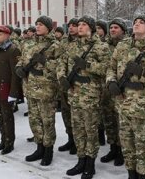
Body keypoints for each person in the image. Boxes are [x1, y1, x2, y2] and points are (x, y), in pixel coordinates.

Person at [106, 15, 145, 179]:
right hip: (122, 104)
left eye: (141, 23)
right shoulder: (122, 46)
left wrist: (142, 73)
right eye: (135, 22)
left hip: (143, 108)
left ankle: (143, 175)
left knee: (141, 149)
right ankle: (131, 174)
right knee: (127, 146)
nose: (137, 24)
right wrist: (111, 81)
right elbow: (110, 67)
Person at [57, 15, 109, 179]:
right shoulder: (71, 47)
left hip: (91, 96)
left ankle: (90, 163)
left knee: (90, 131)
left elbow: (106, 69)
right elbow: (61, 65)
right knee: (78, 130)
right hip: (74, 94)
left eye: (84, 24)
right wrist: (62, 78)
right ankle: (81, 160)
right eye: (78, 24)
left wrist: (87, 66)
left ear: (91, 28)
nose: (80, 27)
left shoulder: (101, 47)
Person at [16, 15, 62, 166]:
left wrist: (46, 62)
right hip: (30, 88)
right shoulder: (28, 44)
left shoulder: (56, 45)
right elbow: (21, 60)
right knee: (34, 120)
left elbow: (61, 68)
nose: (38, 26)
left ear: (48, 27)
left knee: (47, 121)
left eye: (41, 24)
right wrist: (19, 68)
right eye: (36, 24)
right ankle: (39, 147)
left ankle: (48, 150)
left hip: (46, 90)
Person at [0, 25, 21, 155]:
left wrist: (13, 93)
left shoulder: (12, 50)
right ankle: (3, 140)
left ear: (7, 35)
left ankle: (9, 142)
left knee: (7, 117)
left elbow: (15, 74)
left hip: (5, 88)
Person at [100, 18, 127, 166]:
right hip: (106, 90)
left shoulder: (127, 46)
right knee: (109, 121)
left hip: (122, 91)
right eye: (111, 27)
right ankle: (113, 148)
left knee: (121, 123)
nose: (113, 30)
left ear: (123, 30)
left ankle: (123, 151)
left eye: (116, 27)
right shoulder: (104, 46)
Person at [57, 18, 79, 155]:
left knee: (76, 115)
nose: (71, 28)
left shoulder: (83, 43)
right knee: (66, 113)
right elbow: (59, 61)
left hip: (77, 85)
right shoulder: (64, 42)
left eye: (74, 25)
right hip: (64, 84)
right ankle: (70, 138)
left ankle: (78, 142)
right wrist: (61, 76)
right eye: (69, 25)